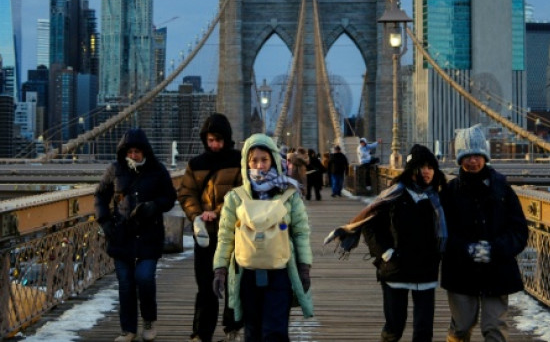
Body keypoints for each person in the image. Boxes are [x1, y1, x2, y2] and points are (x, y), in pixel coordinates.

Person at [323, 144, 447, 342]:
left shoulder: (439, 199)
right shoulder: (394, 195)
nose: (426, 171)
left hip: (426, 270)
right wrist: (385, 253)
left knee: (424, 331)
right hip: (395, 268)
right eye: (421, 167)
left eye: (430, 167)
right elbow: (370, 227)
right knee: (394, 328)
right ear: (410, 170)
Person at [213, 133, 314, 341]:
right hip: (247, 274)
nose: (259, 166)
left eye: (264, 160)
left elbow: (301, 232)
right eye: (254, 160)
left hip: (280, 273)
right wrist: (220, 269)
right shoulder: (235, 198)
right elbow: (225, 236)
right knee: (253, 332)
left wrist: (304, 266)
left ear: (274, 160)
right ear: (246, 163)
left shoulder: (290, 195)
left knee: (275, 332)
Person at [440, 125, 528, 342]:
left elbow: (519, 231)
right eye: (467, 156)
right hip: (461, 269)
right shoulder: (449, 192)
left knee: (495, 329)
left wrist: (493, 249)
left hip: (496, 269)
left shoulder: (503, 189)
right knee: (461, 326)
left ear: (485, 157)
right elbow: (441, 233)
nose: (473, 161)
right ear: (460, 159)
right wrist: (466, 248)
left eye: (477, 155)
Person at [95, 127, 177, 342]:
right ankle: (128, 330)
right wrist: (105, 223)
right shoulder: (114, 170)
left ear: (145, 151)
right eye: (130, 151)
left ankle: (149, 320)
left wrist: (154, 206)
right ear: (124, 152)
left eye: (137, 151)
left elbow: (169, 198)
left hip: (149, 236)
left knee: (144, 278)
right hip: (122, 236)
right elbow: (100, 197)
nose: (133, 155)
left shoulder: (158, 170)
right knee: (126, 284)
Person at [177, 113, 244, 342]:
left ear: (226, 138)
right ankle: (201, 333)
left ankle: (232, 329)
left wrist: (215, 212)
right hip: (205, 234)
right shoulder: (195, 164)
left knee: (233, 283)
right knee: (205, 285)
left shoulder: (239, 160)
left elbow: (242, 193)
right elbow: (186, 193)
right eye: (210, 140)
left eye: (218, 139)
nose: (214, 144)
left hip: (234, 233)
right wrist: (197, 215)